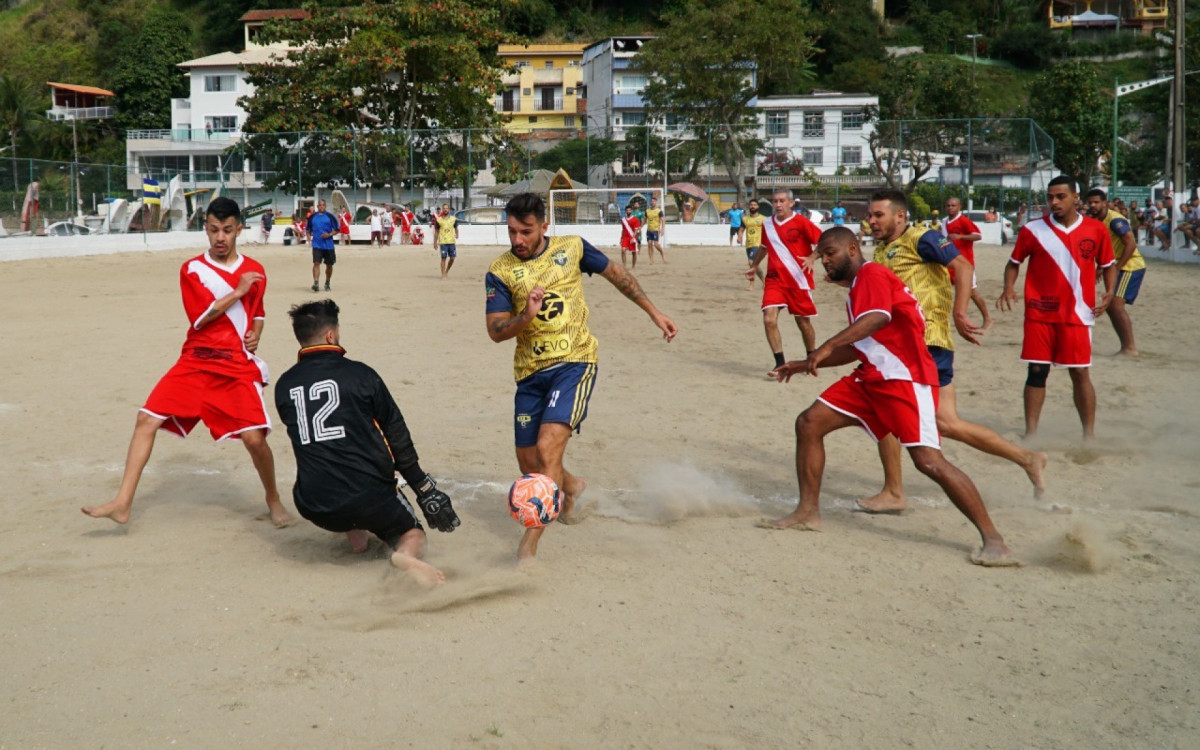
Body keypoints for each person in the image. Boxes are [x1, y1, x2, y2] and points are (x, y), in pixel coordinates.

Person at [765, 227, 1016, 567]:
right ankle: (807, 512)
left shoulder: (873, 274)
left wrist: (826, 346)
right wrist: (807, 362)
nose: (824, 261)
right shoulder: (858, 287)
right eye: (821, 256)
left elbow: (877, 318)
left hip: (904, 378)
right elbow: (860, 346)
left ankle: (994, 539)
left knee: (928, 462)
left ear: (852, 249)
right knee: (809, 423)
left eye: (830, 253)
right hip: (871, 377)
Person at [484, 192, 677, 561]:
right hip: (529, 373)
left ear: (544, 226)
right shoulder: (500, 270)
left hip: (575, 362)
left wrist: (654, 312)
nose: (518, 240)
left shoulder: (572, 247)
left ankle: (527, 549)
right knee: (530, 465)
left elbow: (617, 274)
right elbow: (495, 331)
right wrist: (526, 316)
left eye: (526, 231)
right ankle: (572, 487)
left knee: (547, 449)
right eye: (511, 231)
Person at [82, 197, 293, 528]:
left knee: (254, 439)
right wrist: (237, 292)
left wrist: (256, 333)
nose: (220, 237)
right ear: (205, 229)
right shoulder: (192, 269)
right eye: (213, 230)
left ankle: (273, 499)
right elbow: (201, 319)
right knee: (146, 419)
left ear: (239, 229)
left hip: (236, 363)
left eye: (227, 230)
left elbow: (259, 312)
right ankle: (122, 504)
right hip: (196, 359)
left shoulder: (256, 270)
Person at [856, 189, 1046, 514]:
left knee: (886, 407)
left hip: (924, 342)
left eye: (878, 215)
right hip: (913, 345)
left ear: (900, 216)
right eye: (869, 216)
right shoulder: (883, 250)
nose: (871, 221)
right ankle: (1027, 458)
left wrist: (959, 312)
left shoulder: (922, 238)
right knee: (946, 422)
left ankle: (894, 491)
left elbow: (963, 267)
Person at [274, 299, 458, 586]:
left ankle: (358, 541)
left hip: (314, 503)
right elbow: (397, 436)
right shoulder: (361, 374)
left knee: (330, 461)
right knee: (413, 534)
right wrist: (423, 488)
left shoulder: (284, 385)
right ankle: (404, 555)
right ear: (331, 335)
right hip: (368, 497)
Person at [997, 175, 1116, 440]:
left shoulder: (1096, 230)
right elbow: (1014, 262)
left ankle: (1088, 436)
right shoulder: (1032, 230)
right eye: (1050, 197)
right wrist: (1008, 287)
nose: (1054, 202)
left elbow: (1108, 265)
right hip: (1039, 313)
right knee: (1037, 371)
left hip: (1078, 314)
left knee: (1079, 371)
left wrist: (1110, 292)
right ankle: (1030, 433)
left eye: (1061, 197)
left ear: (1075, 198)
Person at [744, 188, 822, 370]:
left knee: (803, 322)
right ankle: (779, 363)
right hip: (775, 280)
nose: (778, 205)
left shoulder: (801, 222)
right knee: (769, 319)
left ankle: (811, 358)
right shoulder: (767, 224)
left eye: (782, 201)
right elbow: (764, 247)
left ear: (791, 203)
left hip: (798, 280)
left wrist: (812, 257)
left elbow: (824, 241)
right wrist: (755, 266)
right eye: (775, 201)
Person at [1085, 188, 1144, 357]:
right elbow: (1106, 247)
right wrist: (1101, 268)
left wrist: (1116, 269)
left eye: (1096, 202)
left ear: (1105, 203)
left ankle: (1130, 348)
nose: (1093, 205)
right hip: (1115, 266)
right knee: (1111, 306)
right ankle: (1127, 346)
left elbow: (1130, 244)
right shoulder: (1097, 221)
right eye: (1090, 202)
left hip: (1130, 266)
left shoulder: (1115, 220)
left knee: (1115, 305)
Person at [942, 196, 993, 329]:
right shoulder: (944, 222)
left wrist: (961, 236)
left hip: (965, 264)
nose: (950, 208)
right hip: (950, 262)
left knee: (971, 292)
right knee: (942, 288)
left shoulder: (964, 221)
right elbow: (944, 239)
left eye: (953, 205)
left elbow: (978, 235)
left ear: (959, 207)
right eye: (948, 205)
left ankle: (987, 318)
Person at [308, 199, 340, 292]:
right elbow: (308, 228)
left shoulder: (330, 216)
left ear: (325, 206)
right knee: (316, 263)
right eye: (320, 205)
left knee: (329, 265)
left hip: (328, 245)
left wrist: (329, 234)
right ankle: (316, 283)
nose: (321, 206)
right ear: (317, 206)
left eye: (323, 205)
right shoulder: (312, 217)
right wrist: (308, 237)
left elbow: (337, 229)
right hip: (317, 244)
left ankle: (327, 282)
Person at [742, 198, 765, 288]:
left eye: (755, 205)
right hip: (748, 244)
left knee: (751, 262)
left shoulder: (763, 219)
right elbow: (741, 228)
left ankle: (752, 284)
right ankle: (764, 281)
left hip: (758, 244)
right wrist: (739, 236)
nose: (753, 206)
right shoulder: (745, 219)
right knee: (754, 264)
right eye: (751, 205)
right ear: (749, 206)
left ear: (758, 206)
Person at [434, 203, 459, 279]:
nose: (445, 210)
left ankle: (447, 270)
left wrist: (457, 234)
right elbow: (436, 231)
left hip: (451, 241)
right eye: (444, 208)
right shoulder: (439, 220)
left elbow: (456, 228)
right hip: (443, 242)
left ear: (449, 210)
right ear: (442, 210)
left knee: (452, 258)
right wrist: (435, 242)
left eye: (447, 208)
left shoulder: (453, 219)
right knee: (443, 258)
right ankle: (443, 275)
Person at [619, 204, 641, 268]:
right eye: (627, 210)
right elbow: (623, 229)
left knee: (634, 252)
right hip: (625, 237)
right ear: (625, 211)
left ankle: (633, 266)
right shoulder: (623, 220)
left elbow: (636, 230)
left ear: (631, 211)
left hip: (632, 237)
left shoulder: (635, 219)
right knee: (623, 250)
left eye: (629, 210)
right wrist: (621, 238)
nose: (628, 211)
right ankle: (624, 265)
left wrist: (633, 238)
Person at [644, 196, 666, 263]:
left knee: (656, 244)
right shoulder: (647, 211)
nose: (652, 202)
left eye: (654, 201)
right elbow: (644, 220)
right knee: (649, 244)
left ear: (656, 202)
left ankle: (662, 254)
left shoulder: (659, 211)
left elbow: (663, 220)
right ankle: (651, 260)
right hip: (649, 230)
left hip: (656, 230)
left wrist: (662, 229)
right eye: (651, 201)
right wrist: (640, 226)